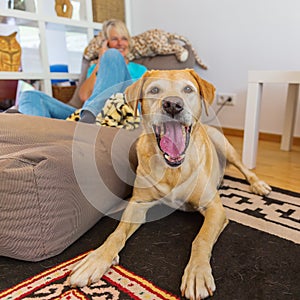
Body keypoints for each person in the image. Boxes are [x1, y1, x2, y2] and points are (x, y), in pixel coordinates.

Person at [18, 19, 147, 122]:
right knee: (30, 96)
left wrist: (112, 57)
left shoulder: (141, 70)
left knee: (113, 55)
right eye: (114, 39)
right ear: (105, 43)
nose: (120, 43)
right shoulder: (95, 67)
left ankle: (89, 118)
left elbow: (144, 102)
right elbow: (85, 96)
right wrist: (101, 63)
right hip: (86, 116)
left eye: (124, 38)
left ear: (129, 43)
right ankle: (38, 137)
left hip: (123, 114)